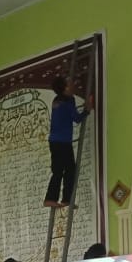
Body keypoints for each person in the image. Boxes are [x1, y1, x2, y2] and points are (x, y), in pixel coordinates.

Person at [43, 76, 93, 208]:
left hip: (57, 142)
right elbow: (76, 118)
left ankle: (65, 199)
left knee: (66, 170)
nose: (73, 84)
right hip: (62, 142)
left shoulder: (57, 100)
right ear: (65, 88)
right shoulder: (68, 101)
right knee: (62, 171)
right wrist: (87, 109)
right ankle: (51, 199)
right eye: (70, 83)